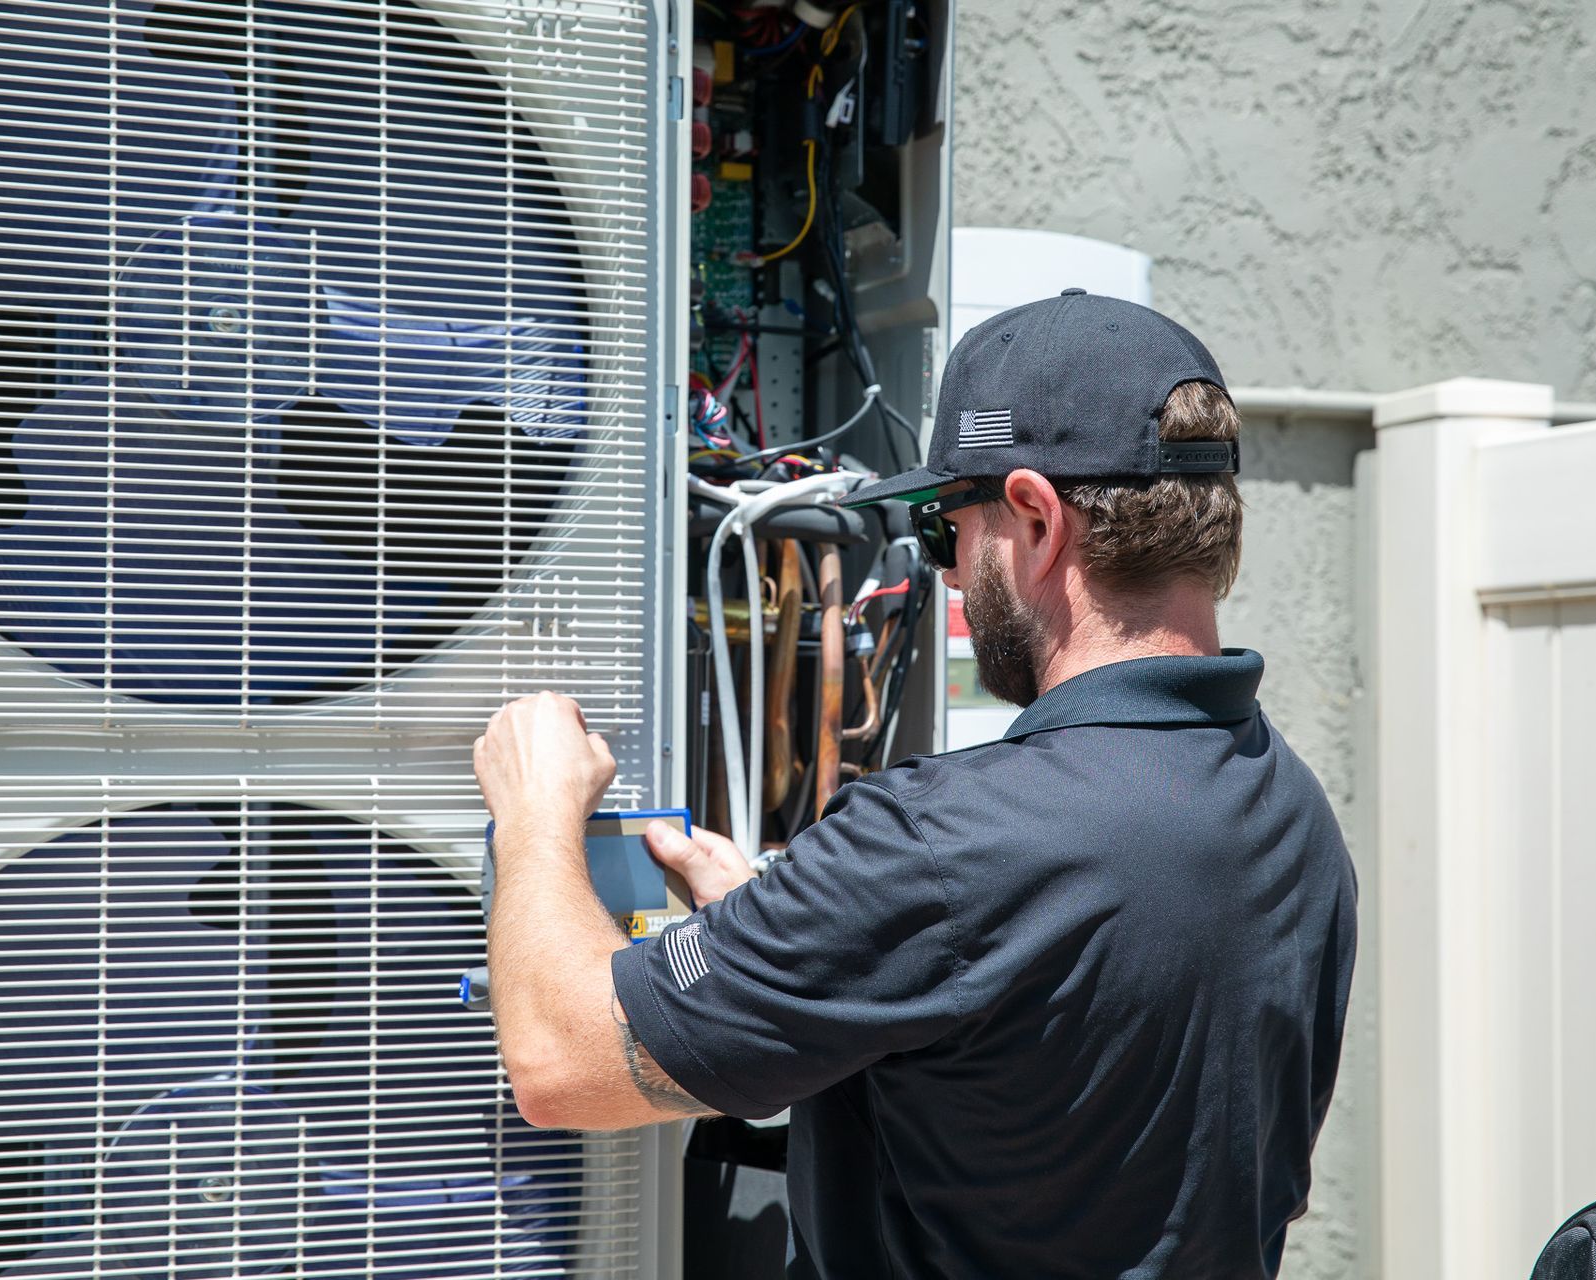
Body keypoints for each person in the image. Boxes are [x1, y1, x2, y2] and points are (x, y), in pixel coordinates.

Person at [472, 290, 1358, 1279]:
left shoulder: (945, 842)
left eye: (947, 532)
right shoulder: (1293, 816)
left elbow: (563, 1062)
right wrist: (790, 936)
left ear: (1033, 515)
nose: (944, 575)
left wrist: (537, 813)